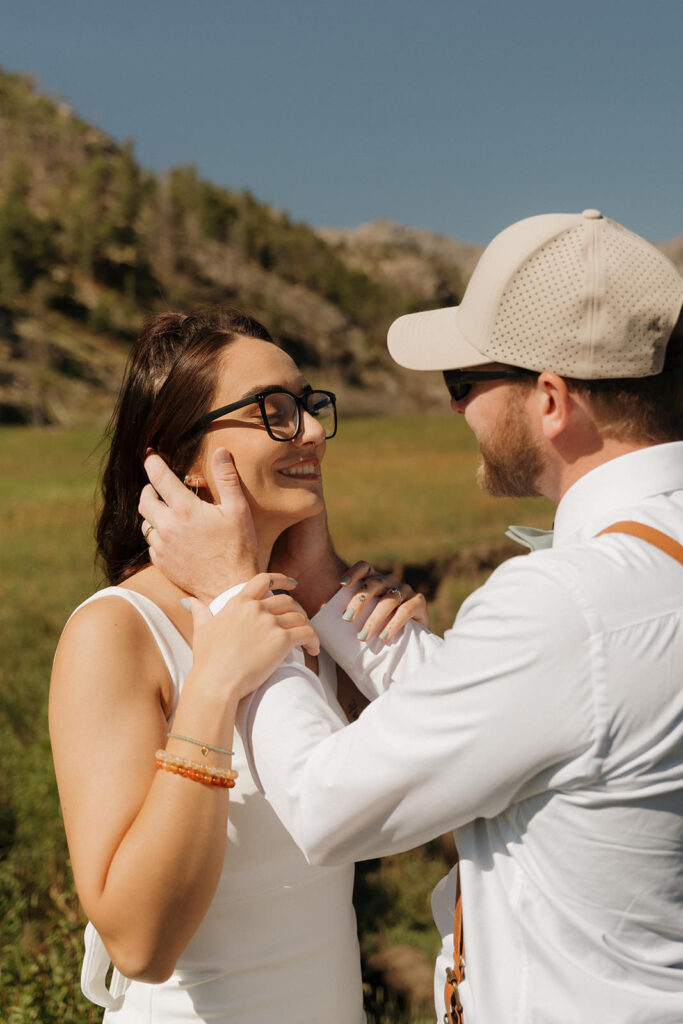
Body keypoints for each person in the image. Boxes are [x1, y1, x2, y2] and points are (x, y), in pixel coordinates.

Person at [142, 210, 683, 1023]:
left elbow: (331, 806)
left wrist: (232, 596)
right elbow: (522, 711)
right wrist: (323, 590)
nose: (456, 411)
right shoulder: (625, 584)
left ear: (549, 400)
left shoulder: (564, 603)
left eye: (463, 385)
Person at [49, 308, 425, 1023]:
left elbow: (413, 799)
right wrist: (214, 685)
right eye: (273, 413)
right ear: (179, 455)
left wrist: (381, 645)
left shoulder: (303, 618)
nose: (311, 431)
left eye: (309, 407)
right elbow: (139, 944)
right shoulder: (116, 634)